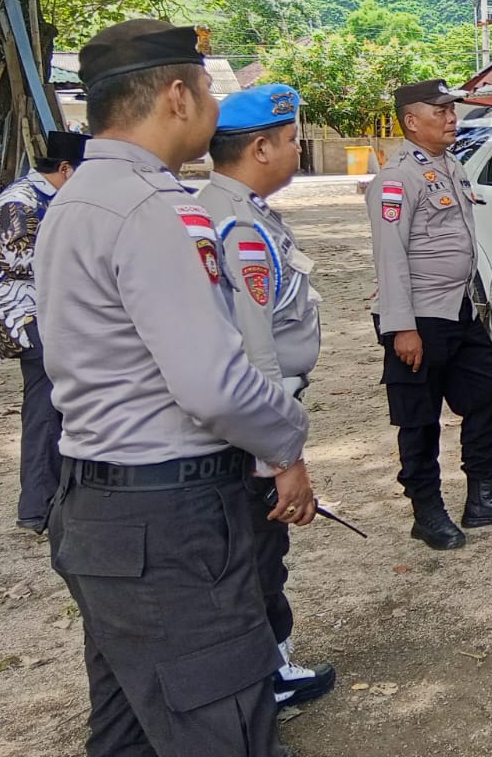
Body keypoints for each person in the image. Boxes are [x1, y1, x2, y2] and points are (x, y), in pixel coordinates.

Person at [34, 19, 312, 757]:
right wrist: (286, 442)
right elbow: (213, 385)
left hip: (103, 514)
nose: (215, 104)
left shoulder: (75, 200)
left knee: (129, 733)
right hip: (171, 523)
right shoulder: (154, 208)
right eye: (210, 88)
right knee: (225, 728)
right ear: (177, 97)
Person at [197, 84, 336, 709]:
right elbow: (253, 347)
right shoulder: (236, 226)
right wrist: (278, 458)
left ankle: (266, 664)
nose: (296, 148)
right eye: (289, 140)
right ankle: (262, 675)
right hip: (256, 424)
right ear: (259, 147)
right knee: (255, 551)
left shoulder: (244, 211)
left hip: (263, 416)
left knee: (261, 550)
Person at [368, 78, 492, 550]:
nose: (450, 118)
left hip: (457, 310)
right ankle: (427, 510)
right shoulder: (395, 180)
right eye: (439, 111)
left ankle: (483, 494)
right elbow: (390, 257)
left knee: (490, 393)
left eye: (450, 110)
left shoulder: (450, 166)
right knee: (418, 419)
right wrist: (401, 328)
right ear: (411, 121)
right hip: (417, 318)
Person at [0, 129, 87, 532]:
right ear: (64, 169)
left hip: (47, 314)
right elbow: (17, 260)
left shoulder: (45, 199)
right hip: (24, 317)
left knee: (57, 407)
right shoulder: (18, 202)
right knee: (44, 410)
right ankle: (38, 507)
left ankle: (53, 498)